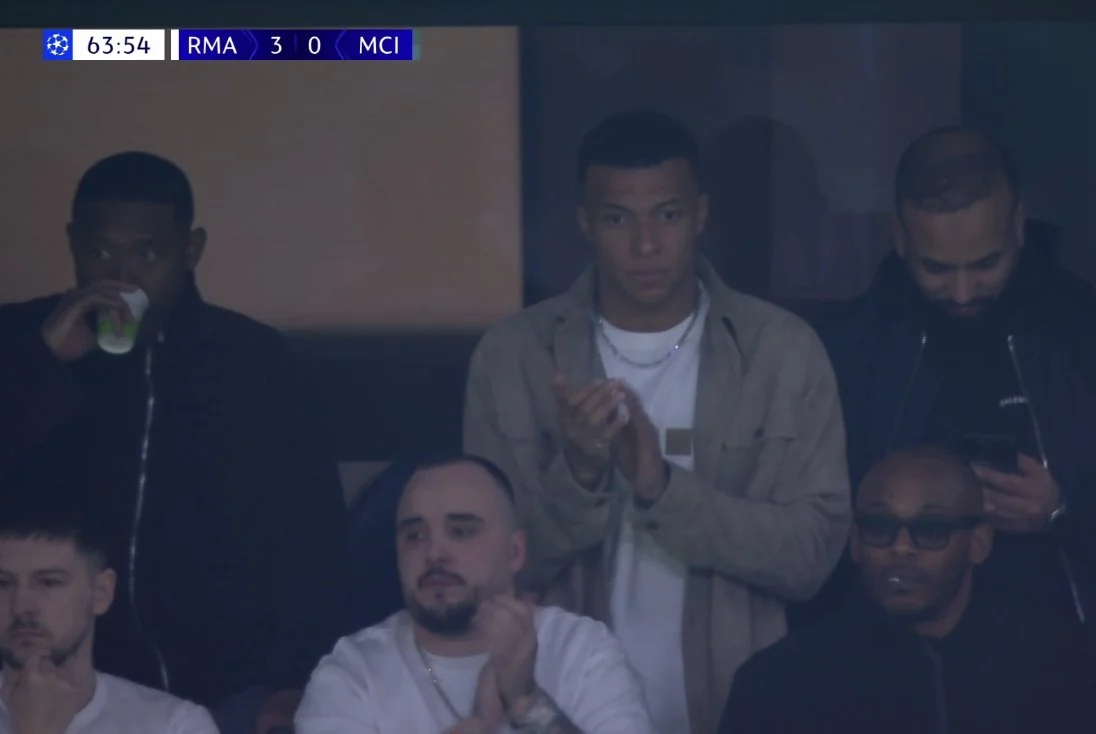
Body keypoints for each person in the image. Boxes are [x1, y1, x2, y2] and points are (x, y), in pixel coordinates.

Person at [462, 110, 851, 733]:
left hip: (734, 708)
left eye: (667, 216)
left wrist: (661, 488)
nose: (646, 246)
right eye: (619, 219)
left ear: (700, 215)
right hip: (559, 709)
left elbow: (812, 558)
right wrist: (579, 473)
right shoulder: (513, 356)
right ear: (585, 223)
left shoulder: (781, 352)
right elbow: (483, 574)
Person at [0, 152, 352, 733]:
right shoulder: (23, 342)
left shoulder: (255, 364)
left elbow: (314, 537)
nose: (121, 277)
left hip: (231, 693)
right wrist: (42, 366)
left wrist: (298, 677)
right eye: (100, 252)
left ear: (190, 249)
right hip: (55, 687)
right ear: (72, 243)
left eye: (147, 254)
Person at [811, 126, 1096, 628]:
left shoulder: (1081, 333)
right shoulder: (849, 348)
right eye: (937, 269)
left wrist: (1063, 510)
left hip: (1064, 642)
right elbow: (815, 526)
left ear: (1019, 226)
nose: (963, 293)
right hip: (889, 647)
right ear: (899, 238)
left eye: (986, 264)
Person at [720, 446, 1096, 734]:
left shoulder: (1062, 667)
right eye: (880, 528)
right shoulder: (781, 680)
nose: (901, 548)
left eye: (930, 530)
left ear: (979, 544)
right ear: (854, 542)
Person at [294, 454, 655, 734]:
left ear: (515, 552)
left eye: (462, 531)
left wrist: (527, 702)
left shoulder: (582, 651)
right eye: (415, 535)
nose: (434, 553)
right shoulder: (352, 674)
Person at [0, 493, 219, 734]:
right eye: (3, 584)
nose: (20, 607)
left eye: (49, 583)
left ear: (101, 593)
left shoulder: (174, 725)